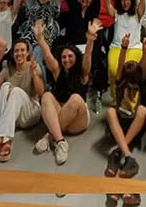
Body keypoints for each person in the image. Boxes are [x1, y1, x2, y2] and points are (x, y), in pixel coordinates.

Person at [34, 20, 99, 165]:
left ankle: (50, 135)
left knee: (75, 98)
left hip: (78, 119)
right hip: (61, 112)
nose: (66, 59)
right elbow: (48, 55)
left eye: (70, 56)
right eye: (64, 57)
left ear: (76, 57)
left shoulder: (82, 73)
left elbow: (87, 56)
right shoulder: (58, 71)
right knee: (46, 96)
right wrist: (40, 38)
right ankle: (60, 141)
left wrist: (90, 39)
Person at [0, 39, 45, 167]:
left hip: (30, 113)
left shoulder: (33, 66)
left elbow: (41, 92)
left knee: (15, 91)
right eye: (16, 51)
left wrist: (34, 74)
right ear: (12, 54)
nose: (19, 53)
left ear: (27, 53)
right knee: (5, 86)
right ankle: (6, 141)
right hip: (12, 117)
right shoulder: (7, 69)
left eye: (22, 50)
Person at [104, 35, 146, 180]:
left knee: (142, 110)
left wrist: (145, 51)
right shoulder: (120, 82)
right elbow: (120, 63)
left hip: (135, 126)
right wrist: (123, 47)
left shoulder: (141, 83)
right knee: (110, 111)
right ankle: (128, 155)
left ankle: (118, 151)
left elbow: (143, 67)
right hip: (120, 123)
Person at [105, 0, 146, 97]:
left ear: (132, 1)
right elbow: (107, 5)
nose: (125, 2)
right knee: (114, 69)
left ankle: (133, 97)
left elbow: (143, 5)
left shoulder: (137, 14)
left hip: (134, 48)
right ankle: (116, 96)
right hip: (117, 47)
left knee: (131, 71)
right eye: (123, 0)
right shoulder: (117, 13)